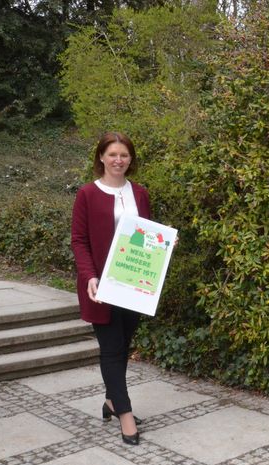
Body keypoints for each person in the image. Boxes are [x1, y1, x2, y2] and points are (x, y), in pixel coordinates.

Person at [71, 132, 150, 446]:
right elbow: (79, 241)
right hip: (101, 288)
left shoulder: (140, 193)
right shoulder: (87, 194)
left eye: (124, 155)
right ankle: (126, 415)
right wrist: (90, 275)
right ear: (101, 157)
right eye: (113, 154)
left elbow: (145, 234)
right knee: (112, 349)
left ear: (131, 159)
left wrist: (164, 244)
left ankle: (110, 401)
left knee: (123, 345)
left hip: (134, 286)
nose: (119, 160)